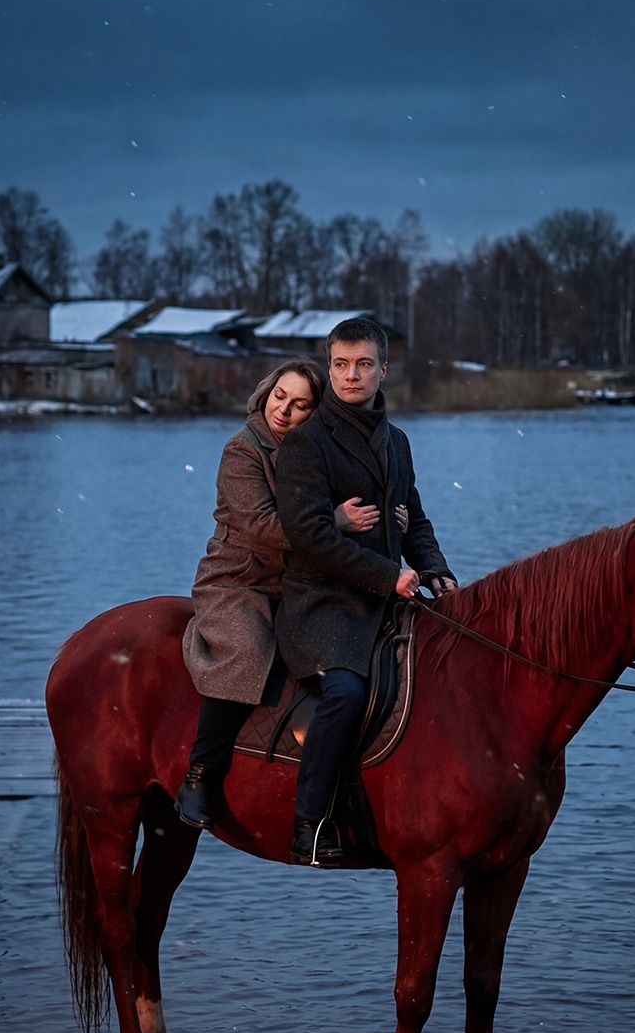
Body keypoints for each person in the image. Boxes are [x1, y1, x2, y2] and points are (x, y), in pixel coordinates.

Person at [176, 358, 401, 831]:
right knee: (250, 650)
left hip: (300, 581)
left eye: (300, 405)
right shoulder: (243, 450)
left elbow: (358, 499)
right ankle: (200, 773)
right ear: (266, 392)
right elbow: (260, 525)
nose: (284, 410)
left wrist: (388, 521)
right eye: (280, 396)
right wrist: (331, 523)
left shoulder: (316, 448)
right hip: (240, 578)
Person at [274, 316, 457, 865]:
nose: (350, 376)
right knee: (347, 693)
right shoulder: (307, 443)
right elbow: (309, 537)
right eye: (340, 365)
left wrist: (434, 569)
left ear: (383, 370)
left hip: (385, 598)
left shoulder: (396, 441)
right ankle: (311, 823)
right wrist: (388, 574)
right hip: (321, 603)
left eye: (362, 365)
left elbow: (414, 520)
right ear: (330, 368)